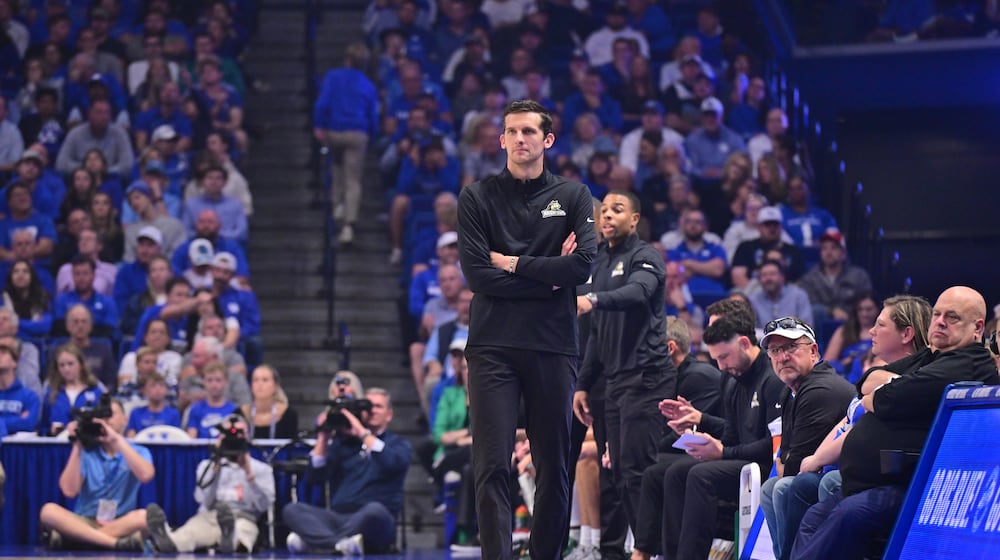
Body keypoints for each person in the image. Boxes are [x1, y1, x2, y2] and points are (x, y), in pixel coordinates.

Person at [457, 99, 597, 560]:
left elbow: (581, 266)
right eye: (512, 131)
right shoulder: (476, 198)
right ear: (501, 140)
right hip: (492, 345)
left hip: (553, 346)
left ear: (547, 140)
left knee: (554, 467)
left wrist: (515, 264)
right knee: (492, 465)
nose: (520, 139)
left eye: (529, 132)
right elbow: (478, 277)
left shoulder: (574, 196)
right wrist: (549, 278)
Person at [791, 286, 999, 560]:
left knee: (849, 514)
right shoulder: (932, 357)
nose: (939, 322)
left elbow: (885, 397)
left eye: (952, 317)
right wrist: (886, 389)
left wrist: (883, 392)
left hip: (917, 485)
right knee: (814, 516)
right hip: (872, 481)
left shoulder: (966, 363)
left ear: (978, 327)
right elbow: (868, 379)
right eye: (937, 314)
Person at [775, 295, 932, 558]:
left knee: (835, 499)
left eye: (880, 325)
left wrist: (816, 460)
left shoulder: (919, 378)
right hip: (858, 479)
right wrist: (815, 458)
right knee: (809, 513)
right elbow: (849, 422)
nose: (871, 330)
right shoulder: (881, 376)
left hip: (889, 484)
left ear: (906, 333)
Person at [572, 190, 676, 549]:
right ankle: (642, 549)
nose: (608, 216)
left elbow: (639, 292)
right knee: (617, 473)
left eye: (618, 210)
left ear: (634, 219)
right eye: (604, 211)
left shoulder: (646, 257)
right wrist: (583, 384)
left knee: (638, 472)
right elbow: (598, 334)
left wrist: (594, 299)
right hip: (614, 382)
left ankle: (653, 550)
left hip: (646, 377)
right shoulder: (599, 261)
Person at [660, 312, 785, 560]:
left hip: (764, 465)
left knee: (701, 475)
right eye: (716, 359)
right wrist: (696, 433)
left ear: (745, 344)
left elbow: (774, 446)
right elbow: (730, 434)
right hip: (739, 459)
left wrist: (723, 452)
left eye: (724, 357)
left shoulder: (772, 379)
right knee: (675, 472)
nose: (721, 366)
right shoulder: (731, 379)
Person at [757, 317, 856, 560]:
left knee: (782, 487)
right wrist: (785, 460)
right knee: (771, 488)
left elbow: (791, 466)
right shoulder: (791, 389)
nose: (782, 357)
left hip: (843, 477)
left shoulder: (820, 389)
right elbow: (786, 453)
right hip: (815, 475)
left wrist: (786, 461)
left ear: (813, 351)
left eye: (791, 348)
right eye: (775, 351)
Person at [630, 316, 723, 560]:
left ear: (670, 348)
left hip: (715, 451)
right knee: (637, 465)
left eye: (649, 348)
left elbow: (684, 432)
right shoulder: (672, 377)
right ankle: (648, 551)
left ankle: (648, 553)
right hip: (692, 451)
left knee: (654, 469)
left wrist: (640, 450)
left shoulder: (699, 376)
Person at [284, 388, 412, 554]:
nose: (372, 410)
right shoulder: (343, 443)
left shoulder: (399, 444)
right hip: (339, 517)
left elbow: (392, 463)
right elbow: (314, 478)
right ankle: (340, 544)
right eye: (367, 406)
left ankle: (317, 542)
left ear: (389, 414)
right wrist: (323, 437)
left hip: (375, 521)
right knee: (292, 510)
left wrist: (363, 434)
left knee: (374, 511)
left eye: (378, 406)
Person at [146, 414, 275, 553]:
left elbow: (263, 506)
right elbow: (204, 502)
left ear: (248, 437)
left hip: (243, 518)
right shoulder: (206, 466)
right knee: (189, 533)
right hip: (209, 517)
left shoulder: (262, 469)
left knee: (244, 533)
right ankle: (168, 540)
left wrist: (250, 475)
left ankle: (231, 539)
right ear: (220, 438)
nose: (235, 438)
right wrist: (216, 468)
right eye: (229, 434)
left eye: (240, 433)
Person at [38, 398, 154, 551]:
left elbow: (146, 475)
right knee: (48, 511)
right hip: (85, 520)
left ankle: (75, 540)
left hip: (120, 522)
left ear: (124, 420)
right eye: (102, 417)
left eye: (111, 415)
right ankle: (113, 543)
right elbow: (69, 491)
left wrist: (117, 440)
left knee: (145, 517)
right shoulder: (87, 452)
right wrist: (78, 445)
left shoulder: (138, 451)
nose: (106, 421)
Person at [314, 42, 378, 246]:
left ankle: (337, 205)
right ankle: (348, 225)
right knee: (353, 179)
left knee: (337, 168)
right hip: (357, 133)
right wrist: (372, 136)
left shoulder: (333, 77)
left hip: (334, 131)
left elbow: (322, 104)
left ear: (347, 59)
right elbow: (373, 116)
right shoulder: (368, 85)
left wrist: (319, 125)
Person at [797, 231, 873, 323]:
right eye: (824, 248)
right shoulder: (809, 279)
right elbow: (806, 306)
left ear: (843, 253)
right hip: (819, 326)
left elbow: (867, 302)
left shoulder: (859, 276)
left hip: (851, 324)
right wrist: (831, 311)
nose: (828, 252)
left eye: (833, 248)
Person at [55, 99, 134, 177]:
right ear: (89, 114)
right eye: (99, 112)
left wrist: (104, 171)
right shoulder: (75, 133)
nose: (104, 117)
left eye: (107, 113)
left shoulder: (120, 134)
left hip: (109, 180)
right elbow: (61, 164)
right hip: (80, 181)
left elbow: (128, 166)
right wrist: (85, 169)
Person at [40, 344, 106, 435]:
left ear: (81, 364)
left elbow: (104, 423)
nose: (66, 369)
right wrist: (50, 431)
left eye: (70, 364)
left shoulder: (96, 391)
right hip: (57, 445)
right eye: (62, 365)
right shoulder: (51, 393)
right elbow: (42, 426)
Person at [823, 293, 879, 379]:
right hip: (844, 377)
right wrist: (845, 363)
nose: (864, 314)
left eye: (869, 309)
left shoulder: (882, 331)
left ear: (877, 310)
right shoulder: (844, 331)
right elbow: (827, 362)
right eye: (860, 309)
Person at [748, 259, 814, 329]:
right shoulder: (753, 300)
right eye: (764, 275)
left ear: (782, 277)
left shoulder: (798, 296)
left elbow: (807, 327)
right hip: (763, 339)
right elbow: (752, 330)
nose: (768, 278)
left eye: (772, 274)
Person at [240, 364, 298, 439]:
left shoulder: (289, 415)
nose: (259, 384)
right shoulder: (240, 414)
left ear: (276, 386)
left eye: (265, 380)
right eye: (255, 380)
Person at [185, 361, 238, 438]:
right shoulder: (196, 409)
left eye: (218, 380)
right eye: (210, 380)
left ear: (226, 382)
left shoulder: (234, 410)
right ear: (204, 382)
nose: (214, 385)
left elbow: (236, 437)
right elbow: (191, 439)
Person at [124, 371, 181, 437]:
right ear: (144, 390)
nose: (158, 389)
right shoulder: (136, 413)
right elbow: (131, 438)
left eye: (161, 385)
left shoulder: (173, 414)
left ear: (166, 390)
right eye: (153, 385)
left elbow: (177, 437)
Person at [0, 343, 40, 435]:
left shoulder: (30, 396)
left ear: (15, 362)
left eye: (3, 352)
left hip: (18, 448)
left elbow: (29, 424)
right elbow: (22, 422)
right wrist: (17, 419)